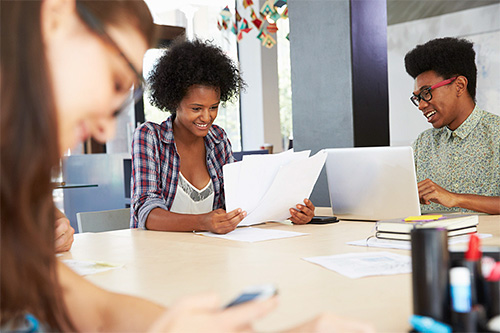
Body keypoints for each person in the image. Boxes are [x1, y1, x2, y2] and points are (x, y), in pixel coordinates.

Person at [1, 1, 373, 332]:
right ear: (54, 15)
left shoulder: (18, 200)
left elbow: (98, 313)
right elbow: (145, 213)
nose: (106, 128)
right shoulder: (149, 136)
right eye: (114, 80)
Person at [131, 39, 316, 234]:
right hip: (158, 255)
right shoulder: (150, 137)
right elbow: (146, 213)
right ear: (174, 101)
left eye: (213, 107)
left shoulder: (217, 139)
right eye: (196, 108)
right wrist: (203, 222)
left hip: (211, 253)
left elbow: (239, 204)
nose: (206, 117)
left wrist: (289, 211)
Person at [404, 37, 500, 215]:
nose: (421, 105)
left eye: (426, 93)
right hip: (429, 240)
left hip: (484, 241)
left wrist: (455, 198)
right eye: (417, 97)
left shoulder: (497, 135)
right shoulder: (421, 144)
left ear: (460, 85)